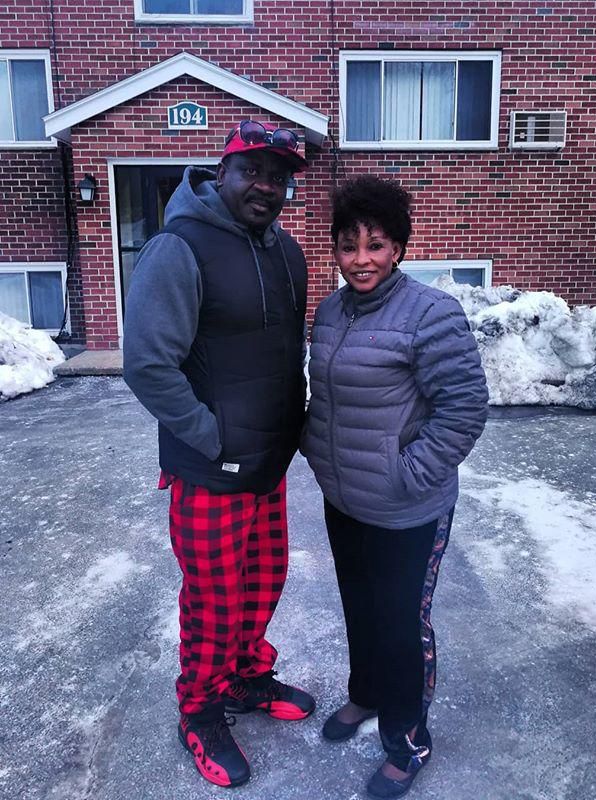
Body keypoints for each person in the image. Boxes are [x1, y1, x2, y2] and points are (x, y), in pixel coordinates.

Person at [123, 119, 315, 789]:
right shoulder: (179, 247)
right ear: (222, 171)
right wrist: (210, 436)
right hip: (209, 471)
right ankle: (200, 710)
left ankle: (245, 678)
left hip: (267, 465)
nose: (266, 185)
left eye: (279, 176)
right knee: (213, 598)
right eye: (252, 170)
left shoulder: (287, 251)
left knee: (262, 582)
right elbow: (148, 363)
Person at [302, 176, 488, 799]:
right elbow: (327, 398)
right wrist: (314, 447)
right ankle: (366, 693)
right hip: (344, 497)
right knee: (359, 605)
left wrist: (407, 474)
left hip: (408, 508)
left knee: (402, 622)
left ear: (399, 248)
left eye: (376, 244)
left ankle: (408, 740)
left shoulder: (431, 313)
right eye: (348, 245)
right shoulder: (331, 313)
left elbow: (464, 409)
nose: (361, 259)